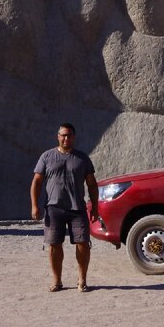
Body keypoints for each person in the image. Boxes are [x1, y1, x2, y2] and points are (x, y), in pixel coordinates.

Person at [30, 123, 99, 292]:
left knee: (83, 243)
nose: (66, 138)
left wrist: (95, 207)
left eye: (69, 135)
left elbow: (91, 184)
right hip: (53, 208)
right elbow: (37, 182)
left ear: (74, 137)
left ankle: (82, 280)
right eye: (63, 135)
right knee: (54, 244)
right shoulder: (47, 157)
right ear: (58, 136)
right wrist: (34, 205)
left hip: (77, 209)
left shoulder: (83, 159)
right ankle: (57, 281)